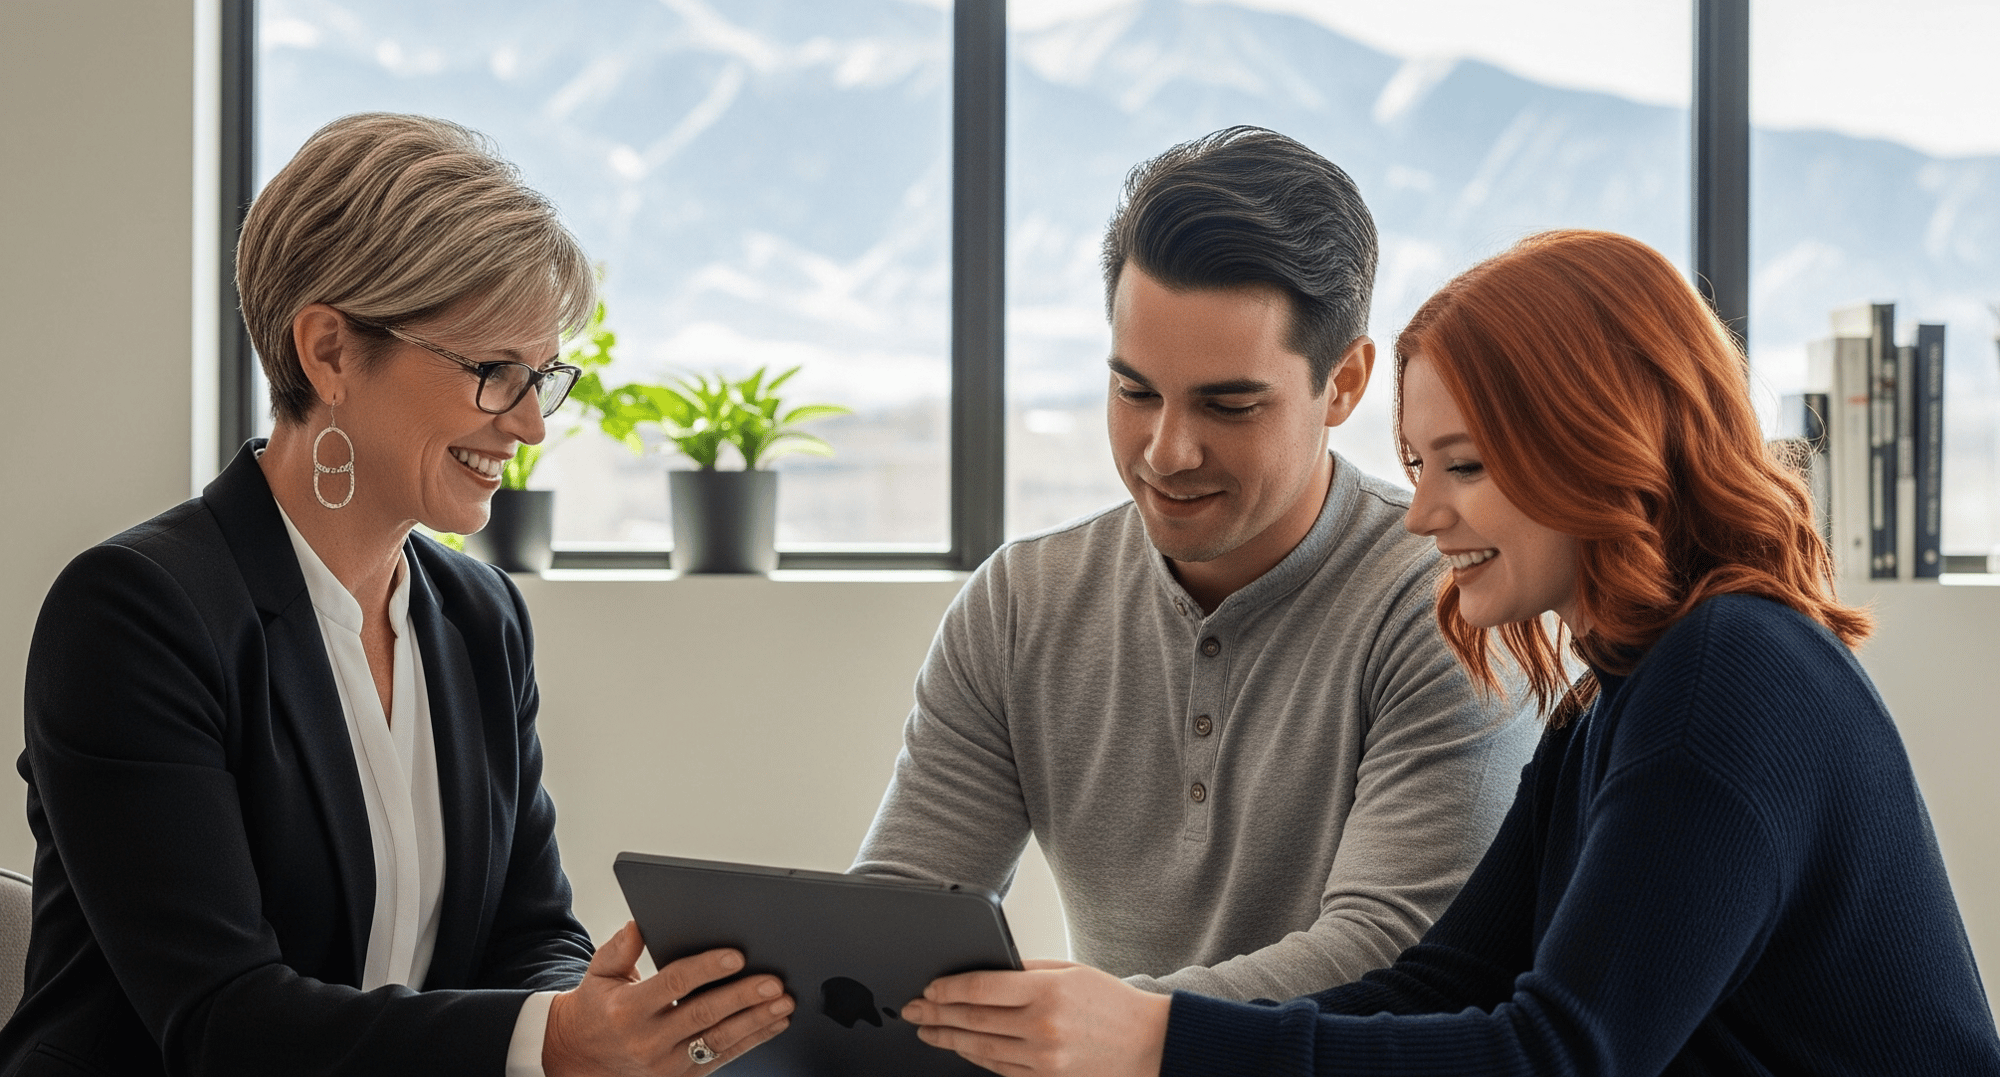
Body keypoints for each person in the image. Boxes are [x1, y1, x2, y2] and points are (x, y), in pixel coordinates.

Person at [902, 229, 2000, 1076]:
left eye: (1462, 467)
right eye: (1416, 464)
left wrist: (1156, 1043)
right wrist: (1146, 1029)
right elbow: (1443, 978)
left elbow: (1553, 1056)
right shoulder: (1618, 695)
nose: (1421, 515)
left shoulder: (1727, 680)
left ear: (1594, 447)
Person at [0, 114, 793, 1077]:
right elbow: (223, 1022)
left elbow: (527, 933)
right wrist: (554, 1041)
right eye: (496, 372)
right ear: (329, 351)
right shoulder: (137, 613)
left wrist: (598, 1013)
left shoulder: (477, 618)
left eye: (543, 377)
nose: (533, 424)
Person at [852, 126, 1538, 1002]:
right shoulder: (1020, 605)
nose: (1166, 451)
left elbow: (1394, 959)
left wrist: (1104, 1028)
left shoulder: (1449, 600)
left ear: (1346, 384)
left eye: (1229, 404)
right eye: (1134, 391)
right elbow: (899, 925)